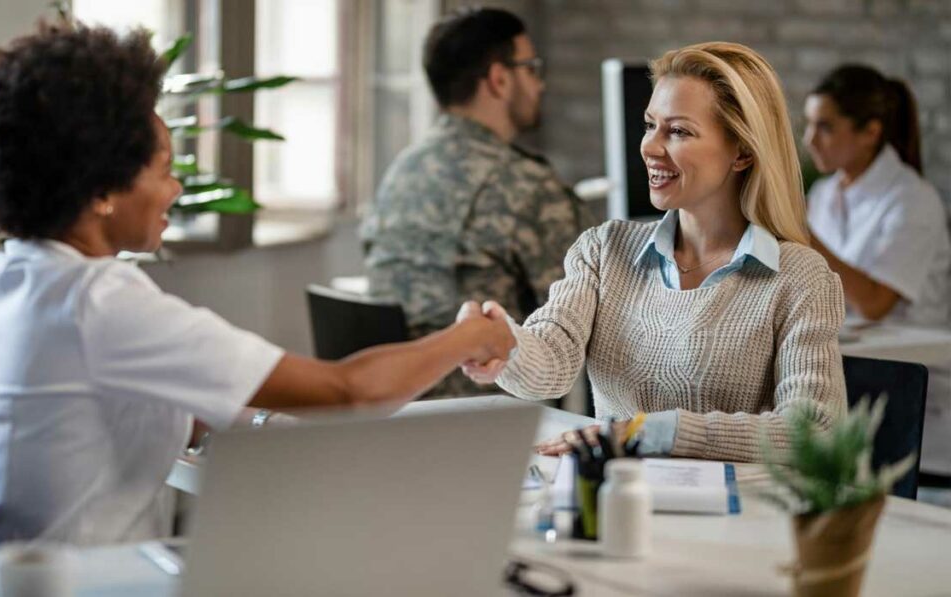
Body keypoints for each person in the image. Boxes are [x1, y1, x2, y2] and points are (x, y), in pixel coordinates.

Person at [0, 21, 514, 556]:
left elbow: (119, 408)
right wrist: (470, 336)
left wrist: (262, 419)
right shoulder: (98, 298)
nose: (175, 187)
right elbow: (349, 392)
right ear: (103, 186)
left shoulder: (16, 273)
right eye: (162, 168)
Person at [462, 42, 847, 463]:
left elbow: (814, 430)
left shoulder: (798, 277)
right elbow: (552, 362)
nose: (649, 147)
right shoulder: (604, 250)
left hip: (738, 518)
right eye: (650, 125)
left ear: (742, 152)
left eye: (678, 131)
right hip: (620, 503)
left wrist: (649, 432)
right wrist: (503, 343)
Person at [359, 7, 595, 398]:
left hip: (396, 403)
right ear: (500, 79)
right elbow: (593, 316)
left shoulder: (403, 169)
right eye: (531, 68)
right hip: (483, 412)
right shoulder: (524, 183)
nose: (540, 84)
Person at [803, 65, 951, 480]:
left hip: (911, 385)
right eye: (809, 125)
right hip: (849, 369)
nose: (809, 140)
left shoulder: (913, 200)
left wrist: (803, 235)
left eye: (825, 127)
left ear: (870, 132)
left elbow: (875, 304)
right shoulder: (825, 193)